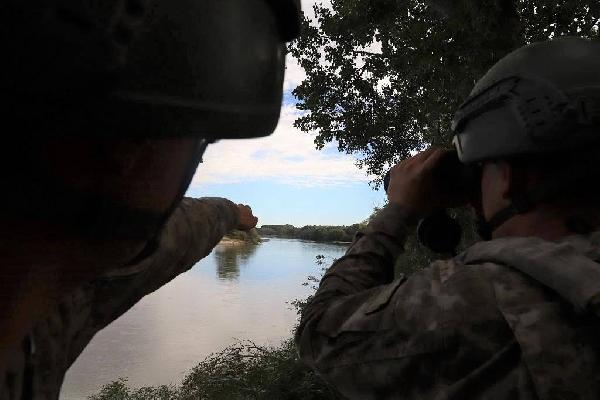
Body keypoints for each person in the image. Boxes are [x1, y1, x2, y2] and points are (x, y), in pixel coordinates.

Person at [0, 0, 301, 398]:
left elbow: (177, 233)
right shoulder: (54, 306)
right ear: (127, 147)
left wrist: (231, 213)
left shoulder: (42, 287)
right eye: (203, 137)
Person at [295, 36, 600, 399]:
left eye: (482, 169)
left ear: (512, 175)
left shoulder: (497, 294)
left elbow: (319, 334)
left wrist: (399, 212)